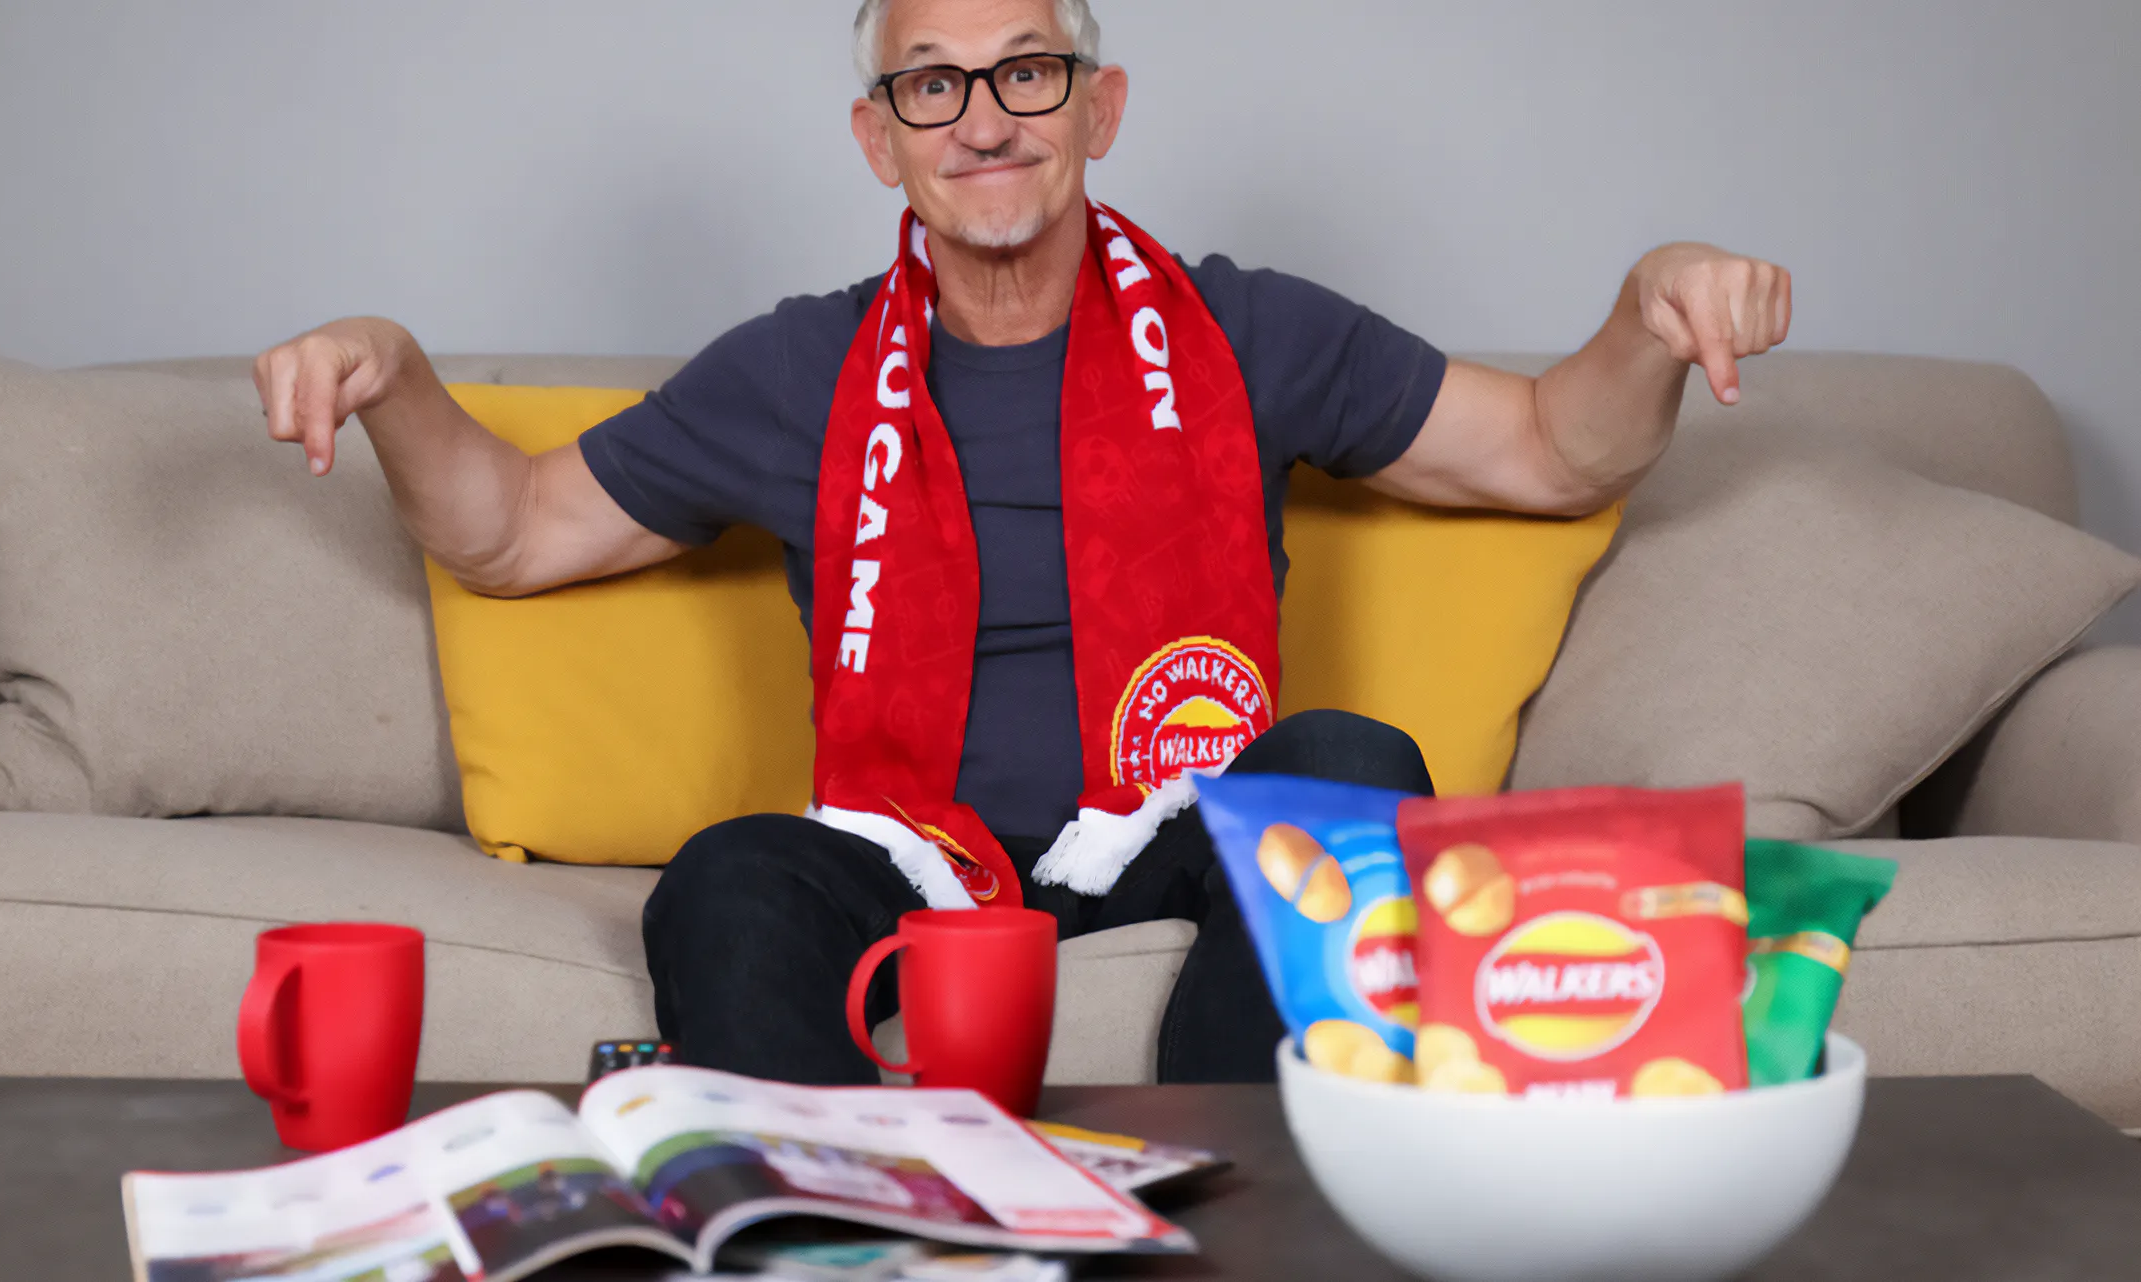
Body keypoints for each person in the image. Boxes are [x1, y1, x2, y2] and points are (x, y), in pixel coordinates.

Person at [252, 0, 1791, 1085]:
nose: (984, 119)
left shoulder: (1247, 327)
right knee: (723, 877)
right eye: (934, 84)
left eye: (1028, 73)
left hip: (1175, 821)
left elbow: (1545, 448)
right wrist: (396, 376)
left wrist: (1648, 313)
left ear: (1099, 108)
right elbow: (512, 535)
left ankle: (1235, 1216)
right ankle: (851, 1236)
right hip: (902, 854)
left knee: (1353, 762)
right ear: (880, 137)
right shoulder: (800, 370)